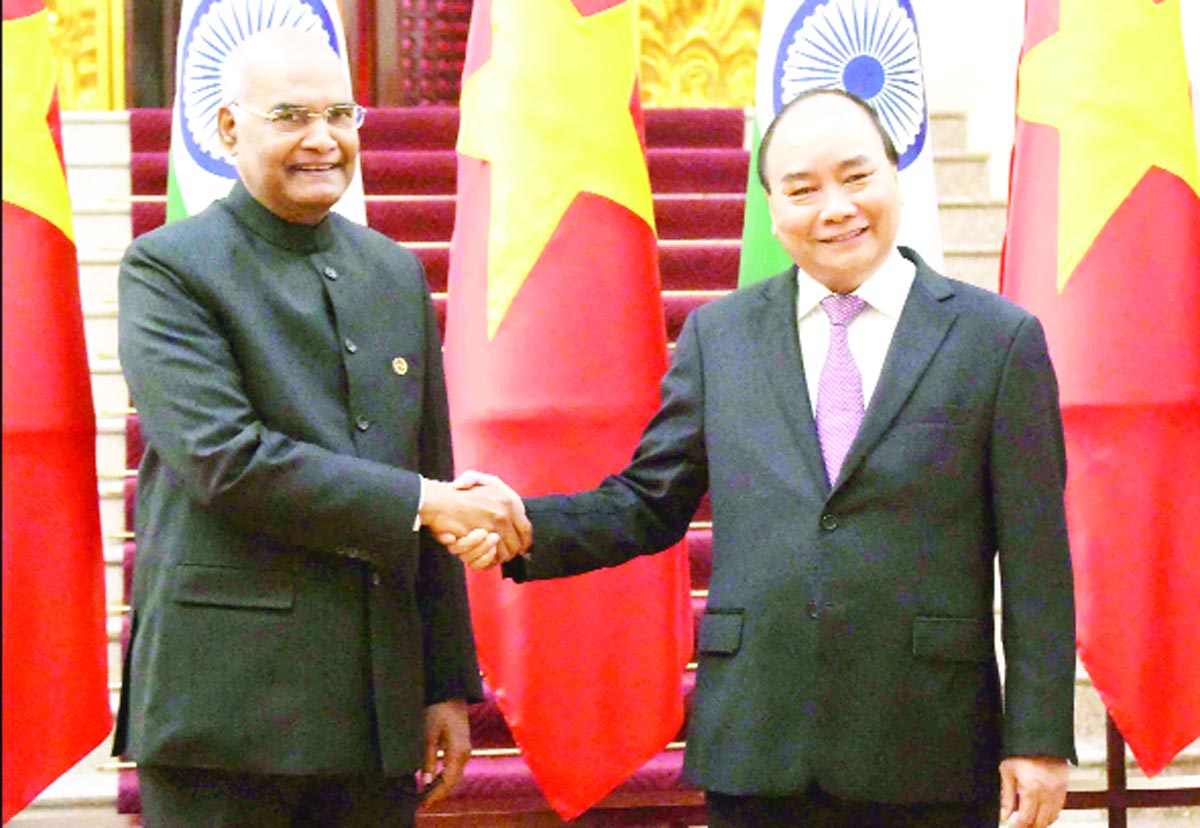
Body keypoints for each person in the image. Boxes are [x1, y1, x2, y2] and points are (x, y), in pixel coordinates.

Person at [450, 89, 1076, 828]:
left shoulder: (994, 340)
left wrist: (1038, 739)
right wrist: (526, 525)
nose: (835, 207)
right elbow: (649, 501)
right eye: (804, 190)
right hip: (758, 741)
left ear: (895, 175)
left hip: (928, 743)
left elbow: (1037, 560)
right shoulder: (724, 337)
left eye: (856, 177)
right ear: (773, 211)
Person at [113, 27, 528, 827]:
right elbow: (224, 459)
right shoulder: (168, 268)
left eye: (341, 115)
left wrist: (443, 683)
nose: (322, 140)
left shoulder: (391, 270)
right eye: (291, 116)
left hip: (372, 710)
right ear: (230, 129)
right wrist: (430, 501)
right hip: (226, 711)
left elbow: (425, 465)